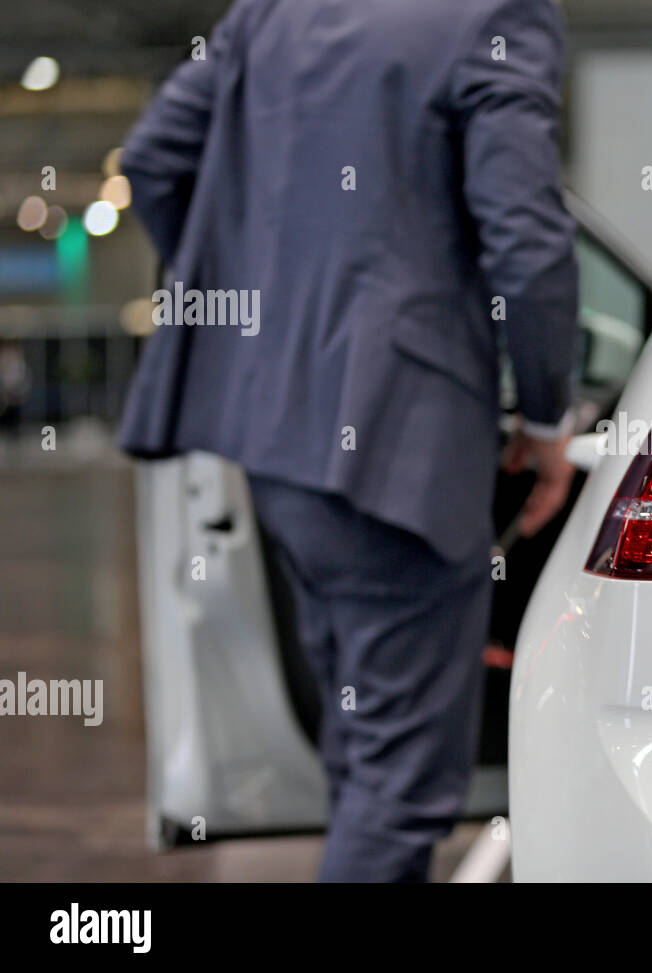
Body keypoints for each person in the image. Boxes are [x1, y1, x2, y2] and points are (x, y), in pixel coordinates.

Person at [118, 0, 578, 882]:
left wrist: (247, 312)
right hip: (403, 446)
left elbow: (152, 162)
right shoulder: (498, 15)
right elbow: (526, 241)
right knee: (400, 788)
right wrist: (547, 418)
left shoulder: (273, 12)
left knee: (362, 757)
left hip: (271, 437)